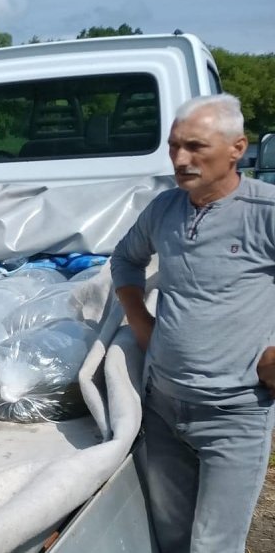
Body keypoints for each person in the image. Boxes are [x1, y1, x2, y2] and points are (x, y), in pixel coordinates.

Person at [111, 93, 275, 553]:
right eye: (174, 146)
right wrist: (141, 321)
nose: (180, 160)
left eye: (196, 147)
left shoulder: (265, 214)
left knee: (212, 546)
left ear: (237, 149)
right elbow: (125, 260)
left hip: (235, 416)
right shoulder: (165, 210)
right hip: (164, 407)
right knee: (171, 538)